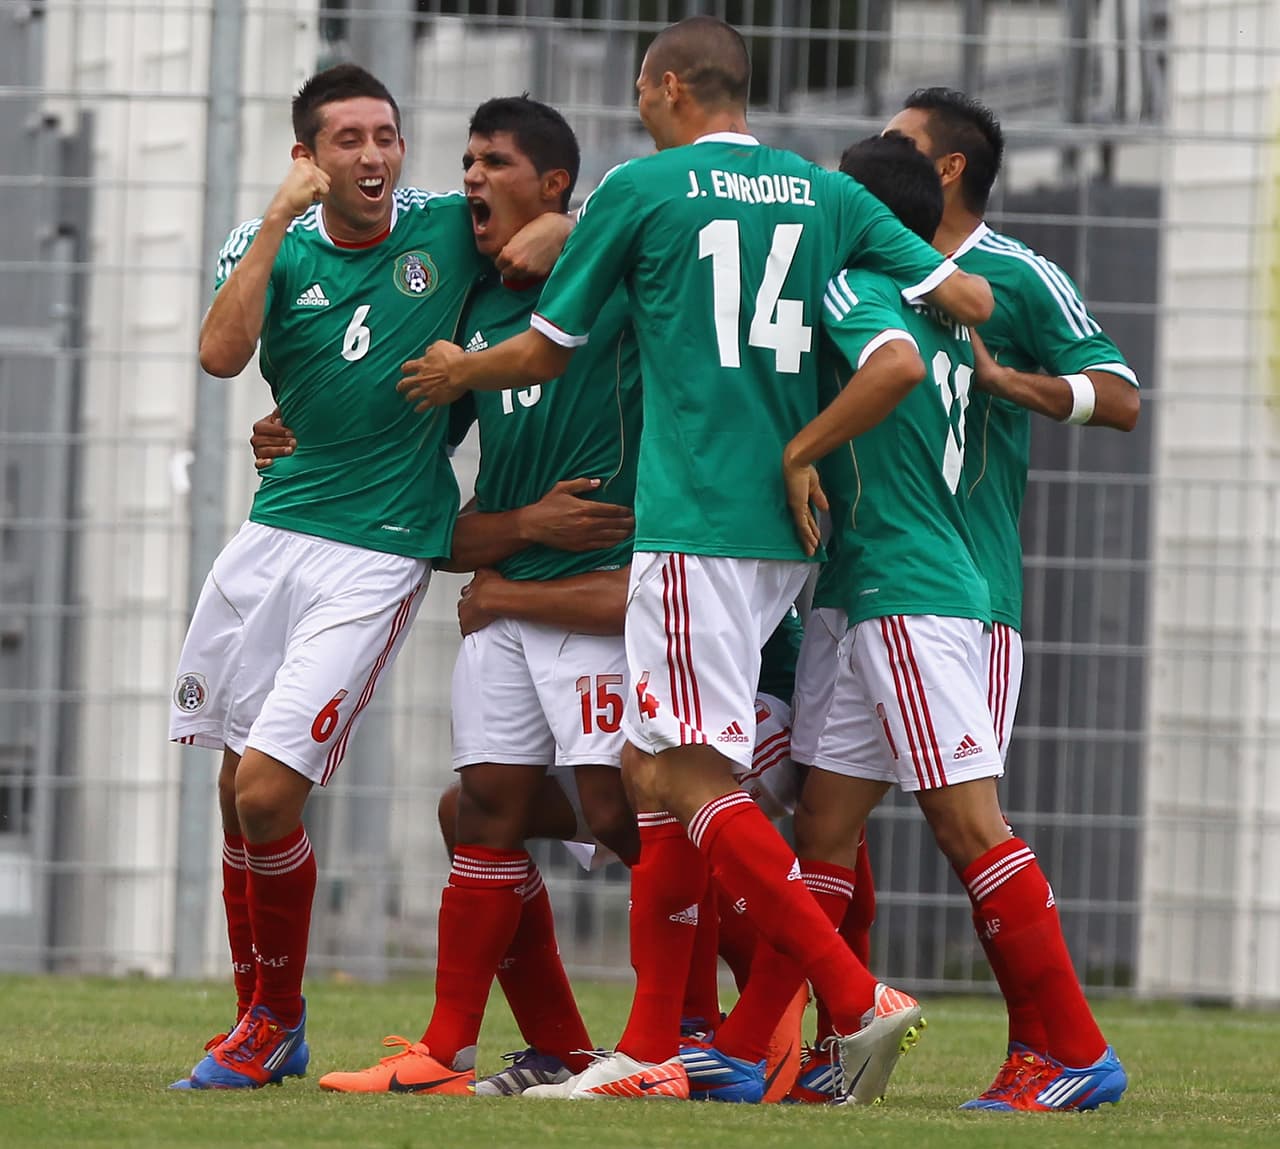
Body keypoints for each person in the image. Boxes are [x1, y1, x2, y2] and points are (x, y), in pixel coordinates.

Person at [399, 16, 994, 1105]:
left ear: (669, 86)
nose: (638, 106)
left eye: (640, 89)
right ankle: (650, 1046)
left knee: (677, 772)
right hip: (783, 535)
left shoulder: (643, 187)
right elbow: (968, 298)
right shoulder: (822, 191)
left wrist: (457, 372)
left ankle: (852, 991)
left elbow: (545, 350)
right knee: (654, 772)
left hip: (695, 521)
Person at [167, 66, 563, 1090]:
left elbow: (562, 226)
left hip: (377, 548)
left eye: (386, 135)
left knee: (268, 791)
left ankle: (274, 1020)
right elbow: (220, 354)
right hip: (273, 533)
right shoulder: (270, 241)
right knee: (233, 790)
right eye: (348, 140)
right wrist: (272, 221)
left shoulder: (442, 227)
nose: (375, 155)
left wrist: (560, 228)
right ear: (309, 157)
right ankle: (262, 1021)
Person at [308, 96, 646, 1098]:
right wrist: (524, 528)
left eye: (492, 162)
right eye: (464, 161)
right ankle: (453, 1050)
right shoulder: (470, 320)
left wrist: (573, 230)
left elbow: (666, 242)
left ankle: (738, 1021)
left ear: (552, 184)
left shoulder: (615, 282)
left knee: (623, 813)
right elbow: (434, 526)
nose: (468, 179)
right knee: (481, 807)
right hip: (509, 601)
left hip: (605, 597)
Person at [883, 87, 1139, 1110]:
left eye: (898, 143)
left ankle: (1063, 1049)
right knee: (823, 812)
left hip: (963, 588)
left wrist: (1007, 383)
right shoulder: (870, 260)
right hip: (868, 582)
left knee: (965, 823)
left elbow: (1119, 396)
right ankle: (799, 1049)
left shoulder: (1017, 276)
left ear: (947, 167)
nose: (876, 154)